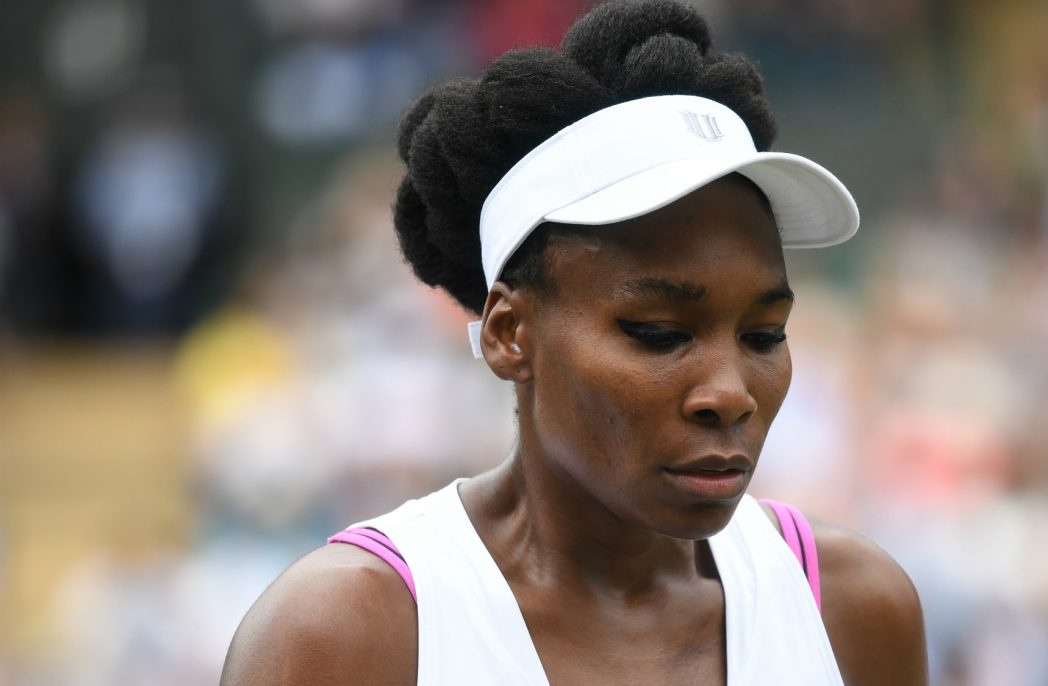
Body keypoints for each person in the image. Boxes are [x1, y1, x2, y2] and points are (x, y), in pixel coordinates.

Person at [221, 1, 927, 684]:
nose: (730, 392)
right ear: (509, 334)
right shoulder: (346, 633)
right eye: (659, 334)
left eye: (764, 334)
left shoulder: (854, 607)